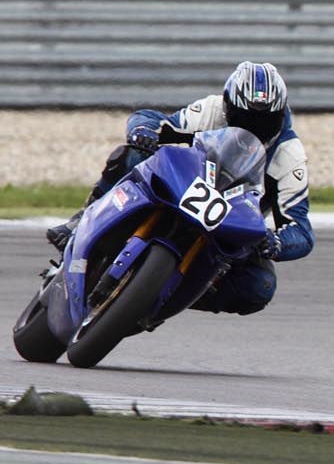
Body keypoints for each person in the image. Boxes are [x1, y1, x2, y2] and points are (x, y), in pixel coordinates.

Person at [47, 61, 314, 316]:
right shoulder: (211, 111)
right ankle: (80, 222)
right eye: (244, 119)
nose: (253, 129)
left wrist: (275, 243)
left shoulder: (289, 156)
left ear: (280, 116)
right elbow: (152, 119)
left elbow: (301, 231)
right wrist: (144, 131)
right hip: (186, 187)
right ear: (228, 107)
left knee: (259, 287)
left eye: (263, 122)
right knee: (131, 156)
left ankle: (170, 296)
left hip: (232, 223)